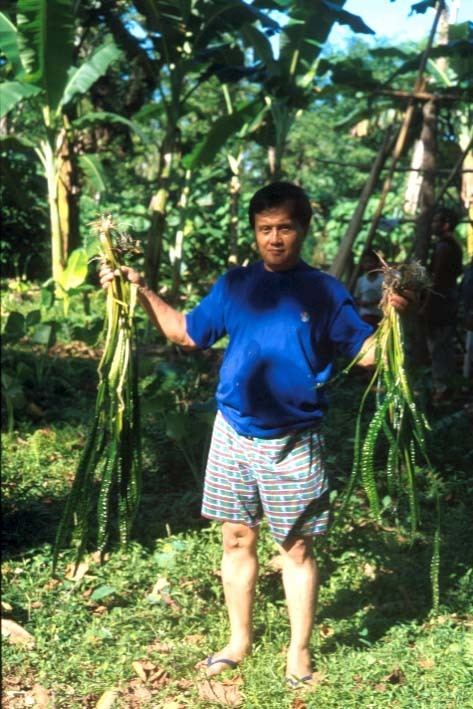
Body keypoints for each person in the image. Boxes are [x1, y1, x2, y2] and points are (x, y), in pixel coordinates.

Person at [100, 182, 410, 687]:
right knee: (236, 539)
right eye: (265, 229)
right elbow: (186, 332)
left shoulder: (325, 291)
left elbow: (367, 355)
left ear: (303, 230)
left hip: (293, 439)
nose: (274, 239)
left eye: (285, 227)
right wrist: (140, 289)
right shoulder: (235, 285)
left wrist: (398, 317)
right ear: (253, 232)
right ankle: (239, 640)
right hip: (233, 432)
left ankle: (299, 652)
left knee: (296, 549)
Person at [421, 207, 463, 401]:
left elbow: (437, 279)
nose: (433, 225)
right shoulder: (453, 245)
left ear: (446, 225)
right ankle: (448, 387)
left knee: (438, 347)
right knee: (444, 345)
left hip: (440, 302)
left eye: (437, 221)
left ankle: (442, 388)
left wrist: (427, 304)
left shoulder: (444, 247)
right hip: (448, 300)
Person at [354, 249, 385, 327]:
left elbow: (388, 296)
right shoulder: (360, 280)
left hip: (380, 316)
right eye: (366, 262)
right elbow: (357, 298)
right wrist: (362, 303)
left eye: (370, 261)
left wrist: (376, 302)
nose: (368, 264)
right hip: (364, 316)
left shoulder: (383, 279)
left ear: (377, 263)